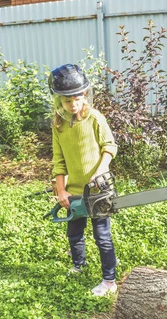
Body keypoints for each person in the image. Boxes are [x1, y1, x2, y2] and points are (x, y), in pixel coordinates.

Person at [49, 63, 119, 297]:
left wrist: (101, 170)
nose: (73, 104)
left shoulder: (95, 118)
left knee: (102, 236)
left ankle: (109, 280)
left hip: (98, 188)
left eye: (77, 99)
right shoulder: (58, 124)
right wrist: (61, 191)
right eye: (67, 101)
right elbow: (59, 161)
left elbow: (109, 147)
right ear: (59, 101)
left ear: (85, 96)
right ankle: (79, 265)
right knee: (74, 233)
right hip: (75, 190)